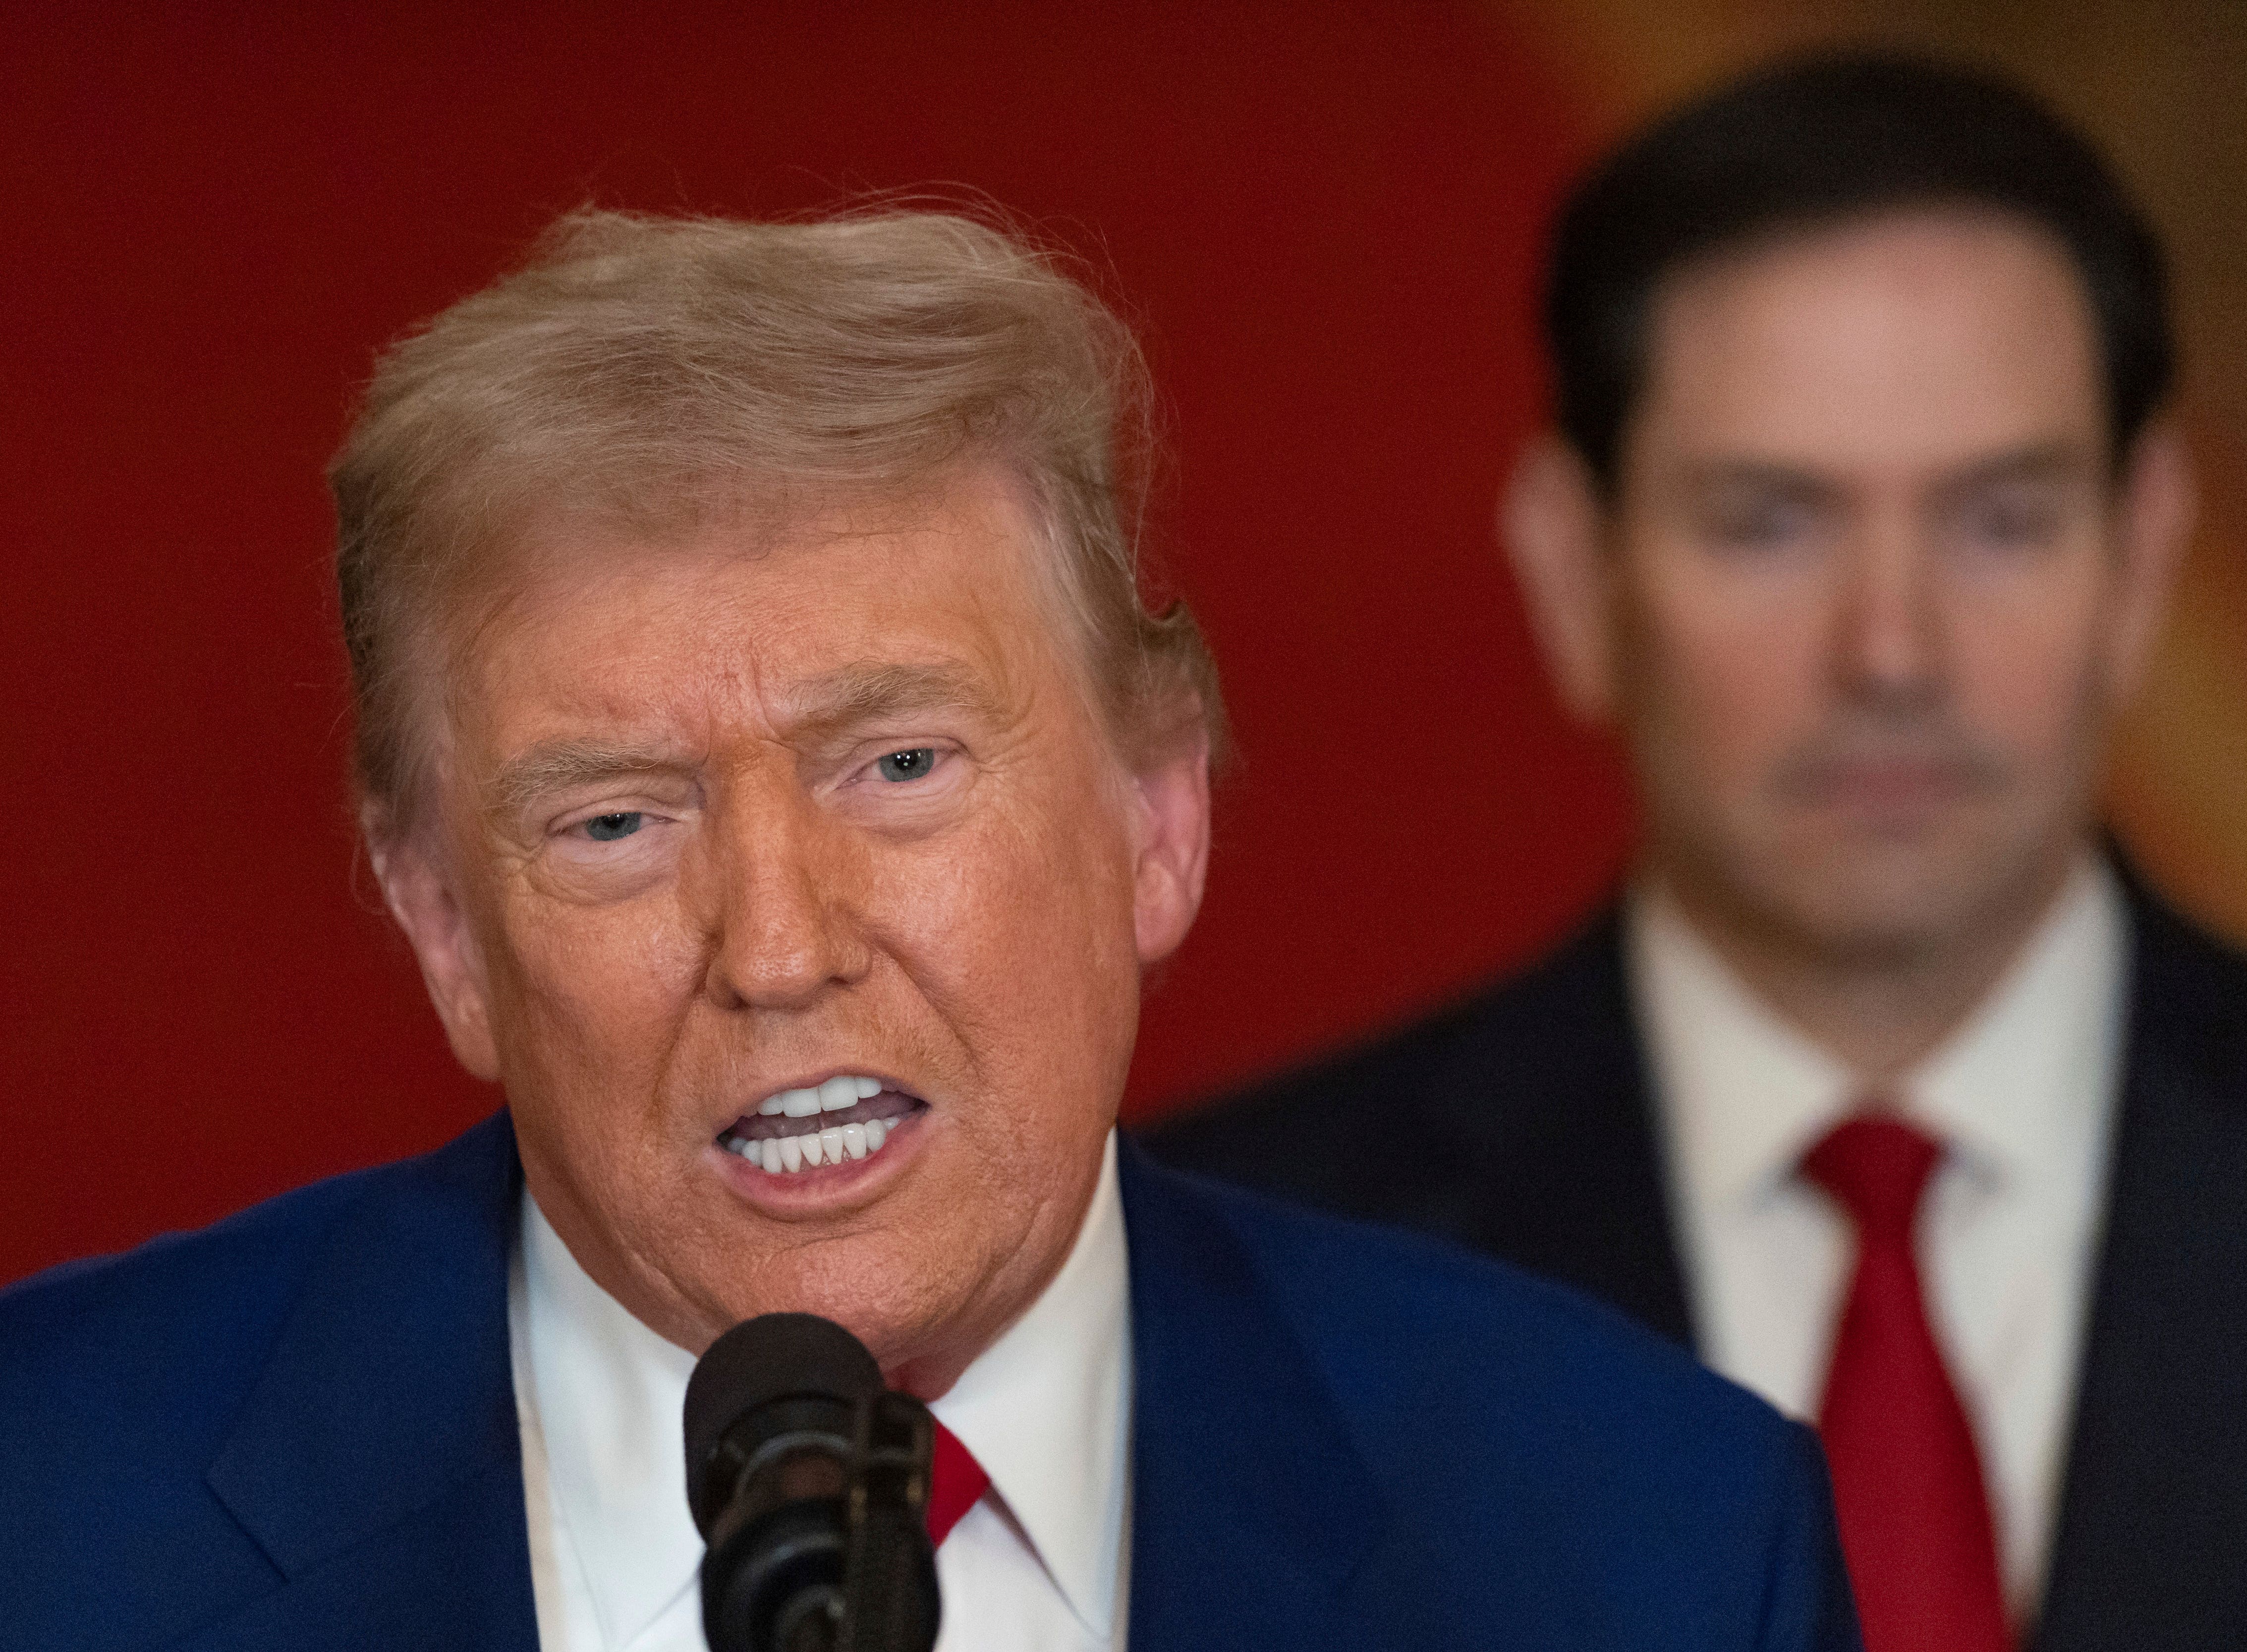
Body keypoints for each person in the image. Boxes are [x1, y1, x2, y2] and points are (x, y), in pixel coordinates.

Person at [0, 209, 1856, 1652]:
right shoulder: (48, 1518)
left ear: (1159, 816)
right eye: (619, 820)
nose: (781, 946)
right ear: (442, 928)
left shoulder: (1640, 1544)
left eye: (897, 763)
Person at [1149, 52, 2247, 1652]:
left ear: (2142, 563)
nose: (1893, 649)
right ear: (1577, 576)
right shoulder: (1230, 1283)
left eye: (2002, 518)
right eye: (1769, 522)